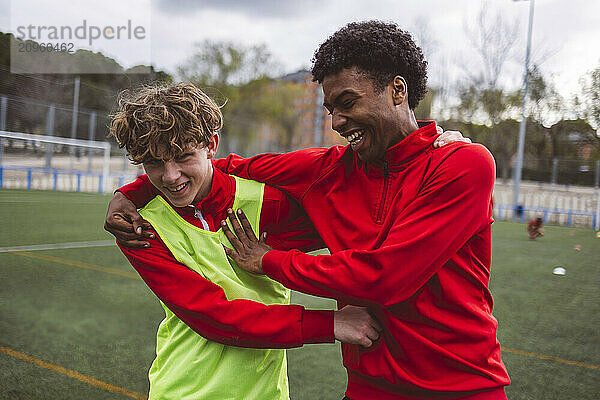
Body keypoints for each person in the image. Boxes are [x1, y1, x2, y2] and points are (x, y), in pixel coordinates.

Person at [106, 21, 510, 400]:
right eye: (330, 108)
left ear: (397, 91)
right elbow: (229, 166)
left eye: (347, 102)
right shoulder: (327, 171)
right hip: (367, 384)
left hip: (463, 384)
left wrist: (270, 261)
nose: (336, 121)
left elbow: (384, 279)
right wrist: (133, 191)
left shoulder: (461, 163)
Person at [108, 82, 383, 400]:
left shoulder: (268, 201)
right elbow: (213, 315)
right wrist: (329, 323)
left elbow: (356, 200)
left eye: (183, 156)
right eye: (154, 163)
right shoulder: (140, 225)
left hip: (267, 393)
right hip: (182, 391)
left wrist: (437, 147)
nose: (170, 176)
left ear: (211, 144)